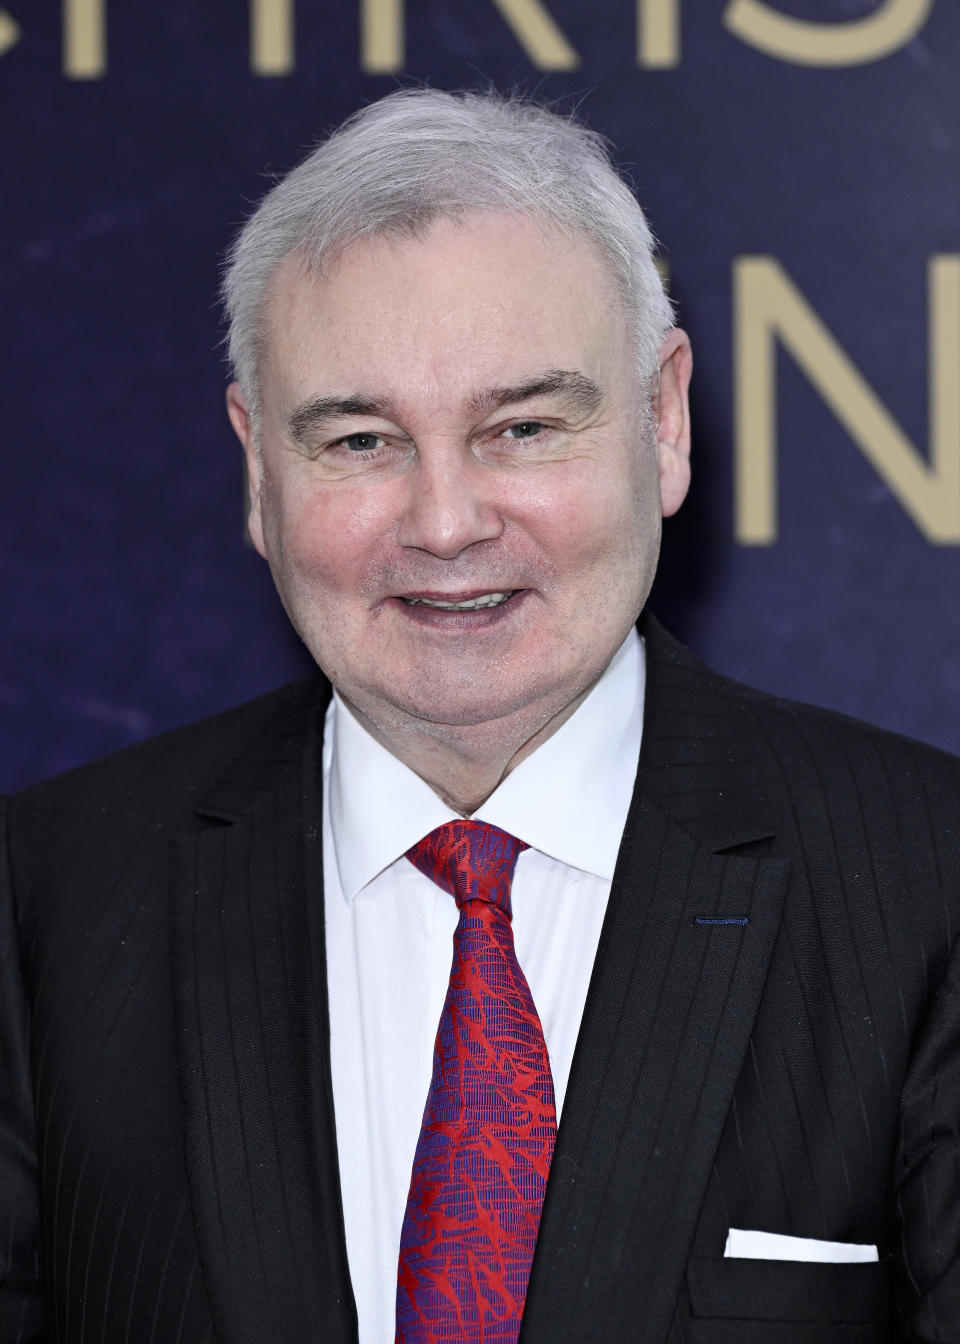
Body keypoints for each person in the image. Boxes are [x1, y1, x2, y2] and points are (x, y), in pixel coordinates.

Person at [1, 88, 958, 1344]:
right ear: (257, 468)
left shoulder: (930, 883)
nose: (445, 524)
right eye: (358, 441)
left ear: (663, 424)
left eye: (522, 427)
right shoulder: (43, 898)